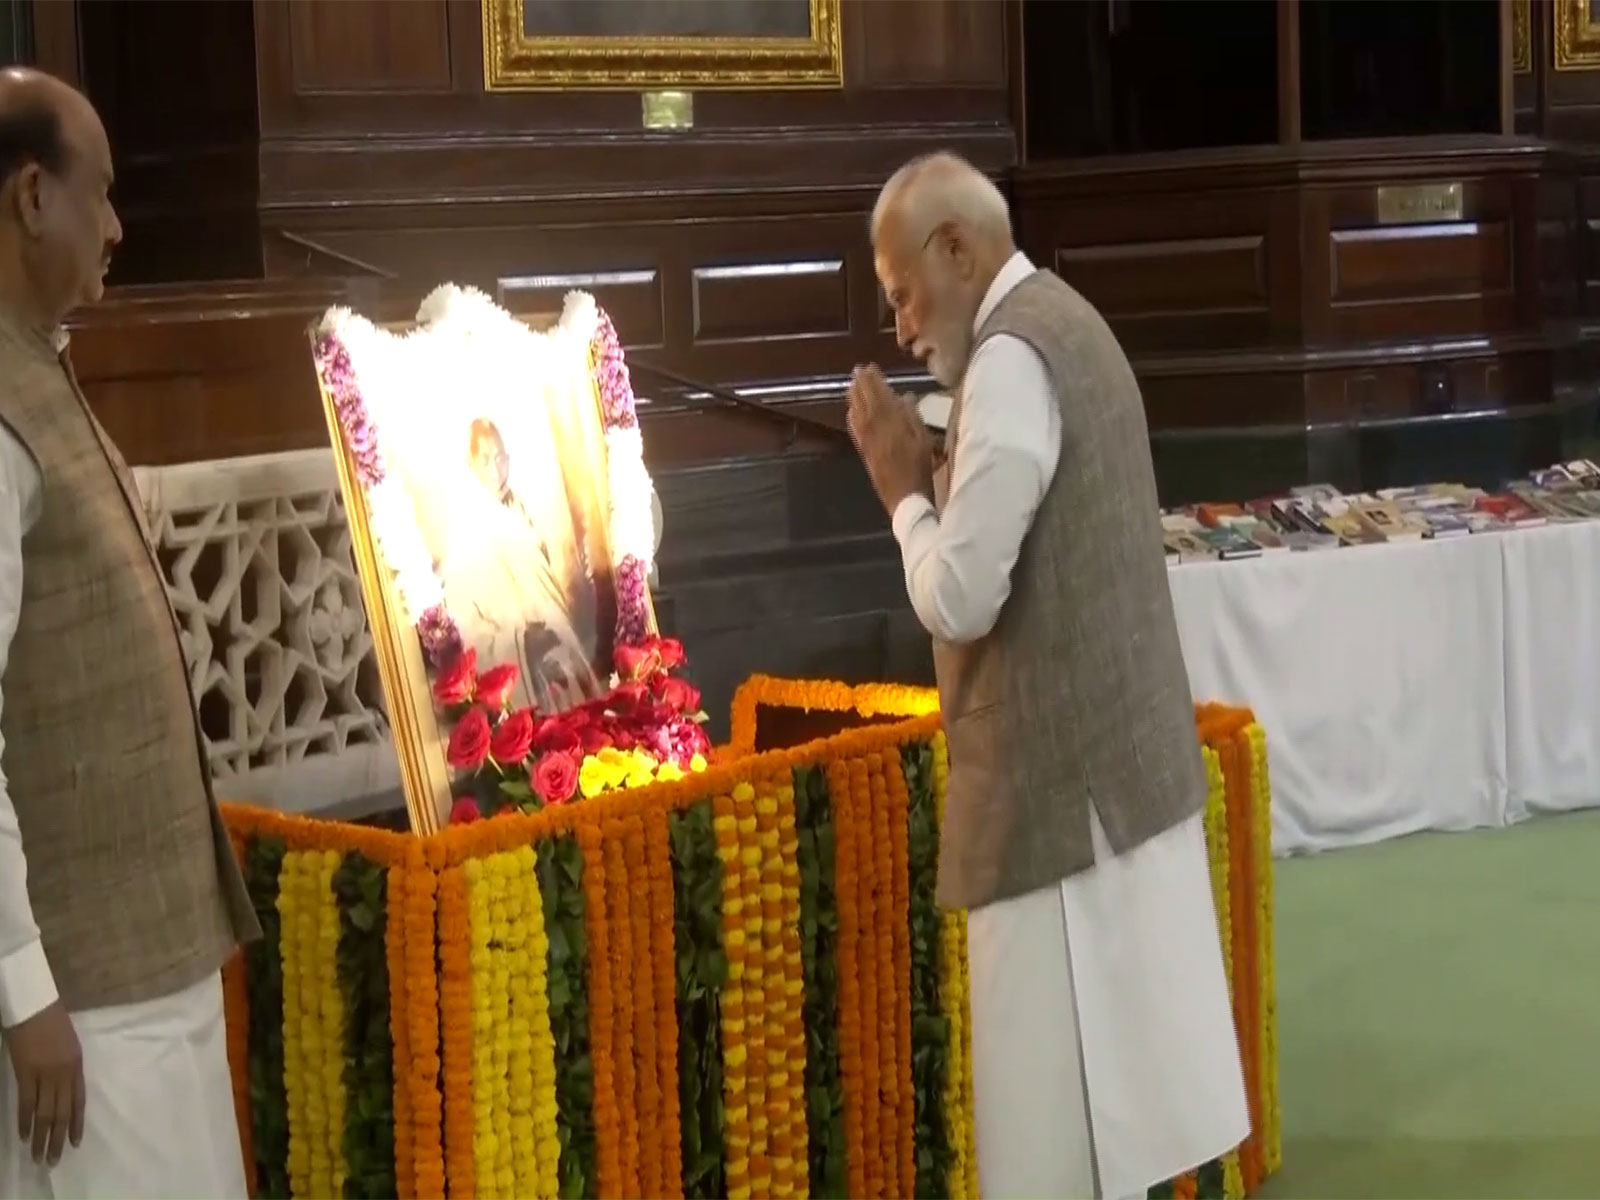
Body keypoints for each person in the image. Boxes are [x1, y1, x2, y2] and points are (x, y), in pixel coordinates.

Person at [849, 151, 1250, 1200]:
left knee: (1059, 1152)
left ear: (955, 248)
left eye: (902, 294)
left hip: (1061, 812)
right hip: (1111, 781)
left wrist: (902, 492)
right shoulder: (1063, 320)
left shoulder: (1011, 363)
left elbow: (958, 596)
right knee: (1130, 1128)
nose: (900, 328)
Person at [0, 68, 260, 1196]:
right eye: (99, 193)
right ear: (31, 198)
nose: (115, 227)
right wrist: (25, 995)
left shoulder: (37, 368)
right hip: (80, 1005)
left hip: (147, 967)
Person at [443, 417, 601, 711]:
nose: (496, 470)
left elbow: (548, 593)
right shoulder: (465, 534)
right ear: (470, 464)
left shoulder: (521, 510)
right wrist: (524, 641)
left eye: (500, 458)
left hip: (560, 649)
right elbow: (469, 629)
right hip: (528, 669)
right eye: (486, 460)